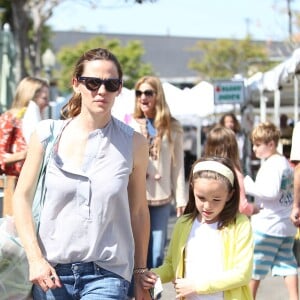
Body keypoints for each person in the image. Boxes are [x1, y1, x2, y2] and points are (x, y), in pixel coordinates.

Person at [13, 48, 151, 299]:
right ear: (76, 84)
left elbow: (139, 211)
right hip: (50, 272)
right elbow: (20, 198)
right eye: (93, 82)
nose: (101, 91)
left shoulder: (135, 144)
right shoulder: (46, 135)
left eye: (111, 84)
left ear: (119, 89)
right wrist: (35, 259)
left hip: (108, 273)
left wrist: (140, 271)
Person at [141, 156, 253, 299]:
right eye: (201, 197)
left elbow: (242, 273)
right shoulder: (184, 223)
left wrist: (197, 287)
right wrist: (155, 275)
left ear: (230, 195)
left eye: (216, 199)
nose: (207, 206)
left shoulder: (240, 224)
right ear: (193, 188)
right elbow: (171, 264)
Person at [128, 75, 186, 270]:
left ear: (157, 95)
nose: (143, 97)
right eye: (139, 93)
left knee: (157, 251)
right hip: (135, 195)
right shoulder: (129, 124)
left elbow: (178, 165)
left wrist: (181, 198)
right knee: (136, 249)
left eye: (148, 93)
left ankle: (153, 293)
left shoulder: (173, 127)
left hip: (161, 195)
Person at [244, 121, 298, 300]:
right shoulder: (283, 162)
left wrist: (247, 185)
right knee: (287, 264)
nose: (255, 148)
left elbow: (270, 192)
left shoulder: (273, 164)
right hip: (285, 226)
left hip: (268, 225)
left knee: (255, 267)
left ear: (271, 144)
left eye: (258, 144)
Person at [204, 125, 259, 216]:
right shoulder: (233, 172)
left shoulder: (203, 170)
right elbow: (242, 207)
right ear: (233, 147)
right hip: (230, 223)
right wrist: (254, 208)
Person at [0, 76, 49, 177]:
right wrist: (26, 154)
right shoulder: (9, 119)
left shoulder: (41, 123)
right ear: (29, 97)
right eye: (44, 98)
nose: (47, 103)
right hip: (13, 186)